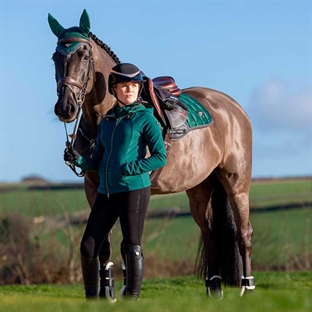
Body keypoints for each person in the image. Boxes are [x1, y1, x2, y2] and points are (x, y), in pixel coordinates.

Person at [64, 63, 167, 300]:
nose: (129, 90)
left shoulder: (145, 118)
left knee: (132, 245)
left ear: (138, 89)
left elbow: (160, 156)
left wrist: (132, 168)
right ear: (115, 89)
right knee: (88, 245)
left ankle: (132, 297)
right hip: (107, 192)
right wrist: (78, 159)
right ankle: (91, 300)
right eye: (123, 86)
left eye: (133, 86)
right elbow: (97, 161)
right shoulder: (107, 121)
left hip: (134, 190)